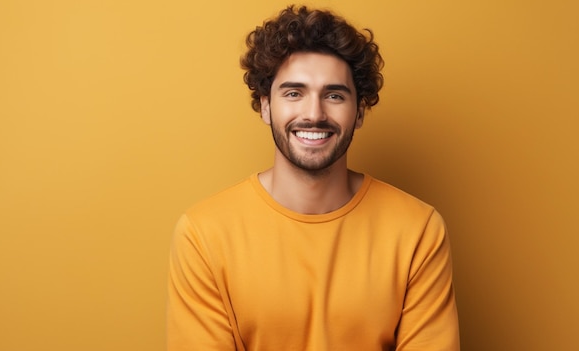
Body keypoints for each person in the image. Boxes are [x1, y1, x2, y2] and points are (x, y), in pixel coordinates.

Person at [167, 5, 459, 351]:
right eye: (294, 93)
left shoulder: (417, 230)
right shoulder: (204, 234)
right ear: (265, 105)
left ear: (360, 112)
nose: (314, 114)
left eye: (334, 95)